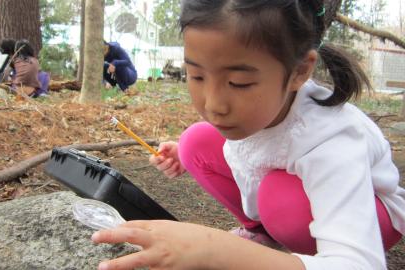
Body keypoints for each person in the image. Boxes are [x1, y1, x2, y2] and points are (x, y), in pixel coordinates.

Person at [91, 1, 405, 270]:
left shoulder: (331, 140)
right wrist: (182, 154)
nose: (214, 105)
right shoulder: (260, 107)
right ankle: (263, 234)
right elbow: (257, 147)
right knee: (194, 142)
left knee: (277, 199)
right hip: (288, 181)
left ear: (299, 72)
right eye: (196, 76)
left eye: (239, 82)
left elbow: (359, 264)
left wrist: (216, 250)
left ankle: (298, 251)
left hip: (372, 215)